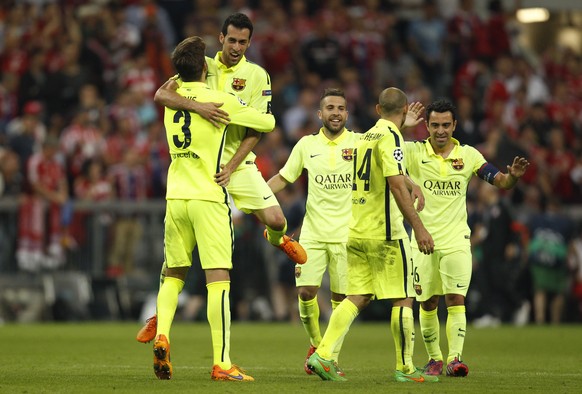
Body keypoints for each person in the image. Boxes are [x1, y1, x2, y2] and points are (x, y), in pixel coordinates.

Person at [137, 12, 306, 343]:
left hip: (236, 164)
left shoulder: (258, 76)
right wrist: (198, 107)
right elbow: (162, 94)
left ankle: (278, 241)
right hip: (204, 166)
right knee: (181, 258)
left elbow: (259, 128)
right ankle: (160, 316)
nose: (237, 47)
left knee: (275, 219)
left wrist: (232, 166)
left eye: (244, 42)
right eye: (232, 40)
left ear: (250, 42)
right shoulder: (203, 67)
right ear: (221, 38)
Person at [152, 36, 276, 381]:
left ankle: (163, 333)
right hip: (208, 196)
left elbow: (164, 90)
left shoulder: (170, 101)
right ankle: (222, 362)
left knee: (174, 273)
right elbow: (267, 124)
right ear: (205, 67)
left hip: (175, 196)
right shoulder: (220, 100)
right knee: (218, 279)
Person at [307, 87, 439, 383]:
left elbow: (386, 168)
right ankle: (405, 367)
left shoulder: (365, 137)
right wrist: (419, 228)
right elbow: (393, 183)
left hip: (355, 231)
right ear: (405, 110)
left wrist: (409, 180)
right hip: (385, 233)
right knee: (404, 297)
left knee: (358, 296)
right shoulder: (391, 137)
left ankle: (323, 354)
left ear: (378, 110)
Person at [404, 98, 529, 377]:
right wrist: (402, 125)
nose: (440, 130)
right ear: (426, 125)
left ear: (455, 125)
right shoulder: (413, 151)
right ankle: (434, 358)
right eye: (434, 125)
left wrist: (512, 179)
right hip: (422, 239)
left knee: (455, 298)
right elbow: (384, 153)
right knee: (428, 302)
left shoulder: (469, 155)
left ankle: (454, 359)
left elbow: (499, 180)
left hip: (457, 239)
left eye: (446, 125)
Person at [266, 88, 358, 375]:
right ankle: (317, 345)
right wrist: (258, 199)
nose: (335, 112)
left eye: (340, 108)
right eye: (330, 108)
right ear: (320, 114)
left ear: (346, 113)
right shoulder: (306, 145)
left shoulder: (359, 144)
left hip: (347, 234)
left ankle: (330, 357)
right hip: (314, 232)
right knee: (306, 293)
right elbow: (284, 177)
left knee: (341, 300)